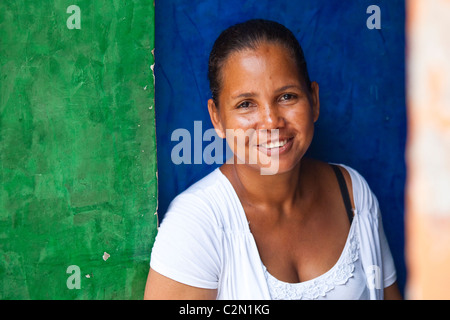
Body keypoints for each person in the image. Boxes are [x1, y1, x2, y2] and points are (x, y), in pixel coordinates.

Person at [144, 19, 402, 300]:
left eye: (287, 96)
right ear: (217, 118)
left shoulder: (352, 194)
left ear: (314, 100)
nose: (270, 121)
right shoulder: (197, 226)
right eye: (246, 104)